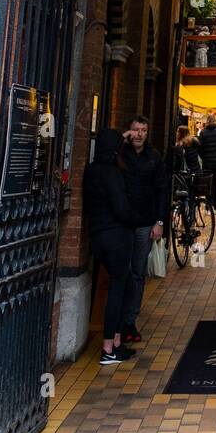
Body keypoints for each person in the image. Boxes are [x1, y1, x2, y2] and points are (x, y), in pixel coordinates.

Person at [82, 128, 138, 366]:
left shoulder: (91, 170)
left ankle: (115, 342)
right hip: (117, 237)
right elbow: (121, 209)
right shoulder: (112, 174)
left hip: (97, 237)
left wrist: (122, 137)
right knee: (118, 289)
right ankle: (108, 347)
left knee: (123, 285)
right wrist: (137, 218)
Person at [116, 115, 167, 347]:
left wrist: (159, 222)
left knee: (137, 272)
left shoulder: (154, 157)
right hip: (122, 222)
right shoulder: (120, 153)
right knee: (121, 271)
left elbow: (161, 190)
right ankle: (116, 321)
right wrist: (121, 139)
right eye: (135, 130)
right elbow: (102, 155)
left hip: (145, 221)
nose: (139, 134)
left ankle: (129, 322)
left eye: (143, 130)